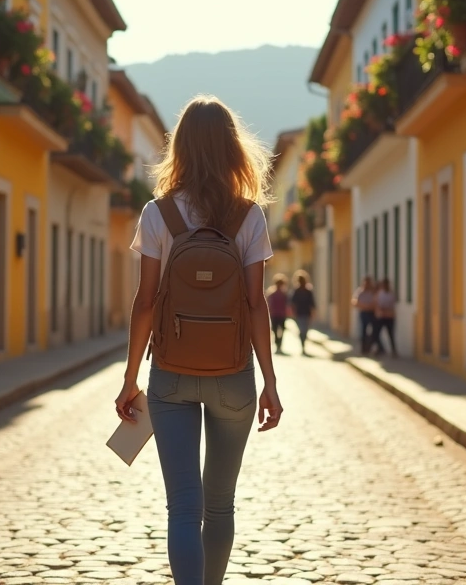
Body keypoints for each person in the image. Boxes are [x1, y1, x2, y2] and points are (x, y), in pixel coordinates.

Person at [115, 95, 284, 585]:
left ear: (180, 148)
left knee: (184, 507)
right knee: (220, 504)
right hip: (234, 377)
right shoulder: (249, 217)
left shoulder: (158, 214)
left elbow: (145, 301)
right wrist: (269, 382)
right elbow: (256, 304)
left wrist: (130, 380)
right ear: (234, 149)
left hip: (170, 375)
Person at [290, 270, 316, 355]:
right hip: (301, 313)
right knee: (303, 330)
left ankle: (303, 344)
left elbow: (312, 303)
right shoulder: (297, 290)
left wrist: (313, 312)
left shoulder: (308, 290)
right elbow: (293, 302)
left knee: (304, 330)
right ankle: (303, 345)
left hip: (303, 313)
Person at [351, 276, 377, 355]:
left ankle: (370, 347)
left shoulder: (373, 292)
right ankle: (363, 348)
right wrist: (364, 306)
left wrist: (370, 306)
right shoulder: (360, 291)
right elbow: (354, 302)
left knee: (374, 331)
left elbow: (376, 302)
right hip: (364, 313)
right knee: (363, 331)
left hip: (372, 313)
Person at [373, 278, 398, 358]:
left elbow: (392, 305)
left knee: (391, 334)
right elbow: (377, 304)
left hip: (389, 317)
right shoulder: (380, 294)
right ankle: (380, 348)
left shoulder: (391, 294)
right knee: (376, 334)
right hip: (381, 316)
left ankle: (394, 351)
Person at [266, 274, 289, 354]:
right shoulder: (273, 293)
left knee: (280, 330)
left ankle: (279, 345)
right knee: (277, 330)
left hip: (279, 314)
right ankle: (278, 345)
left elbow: (287, 304)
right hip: (276, 314)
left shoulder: (283, 294)